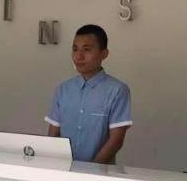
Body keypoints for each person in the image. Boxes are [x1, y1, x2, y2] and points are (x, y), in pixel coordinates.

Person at [45, 24, 132, 163]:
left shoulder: (117, 90)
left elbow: (116, 141)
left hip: (99, 173)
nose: (79, 56)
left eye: (86, 49)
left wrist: (90, 171)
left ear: (104, 54)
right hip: (62, 171)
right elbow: (53, 135)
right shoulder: (63, 89)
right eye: (75, 49)